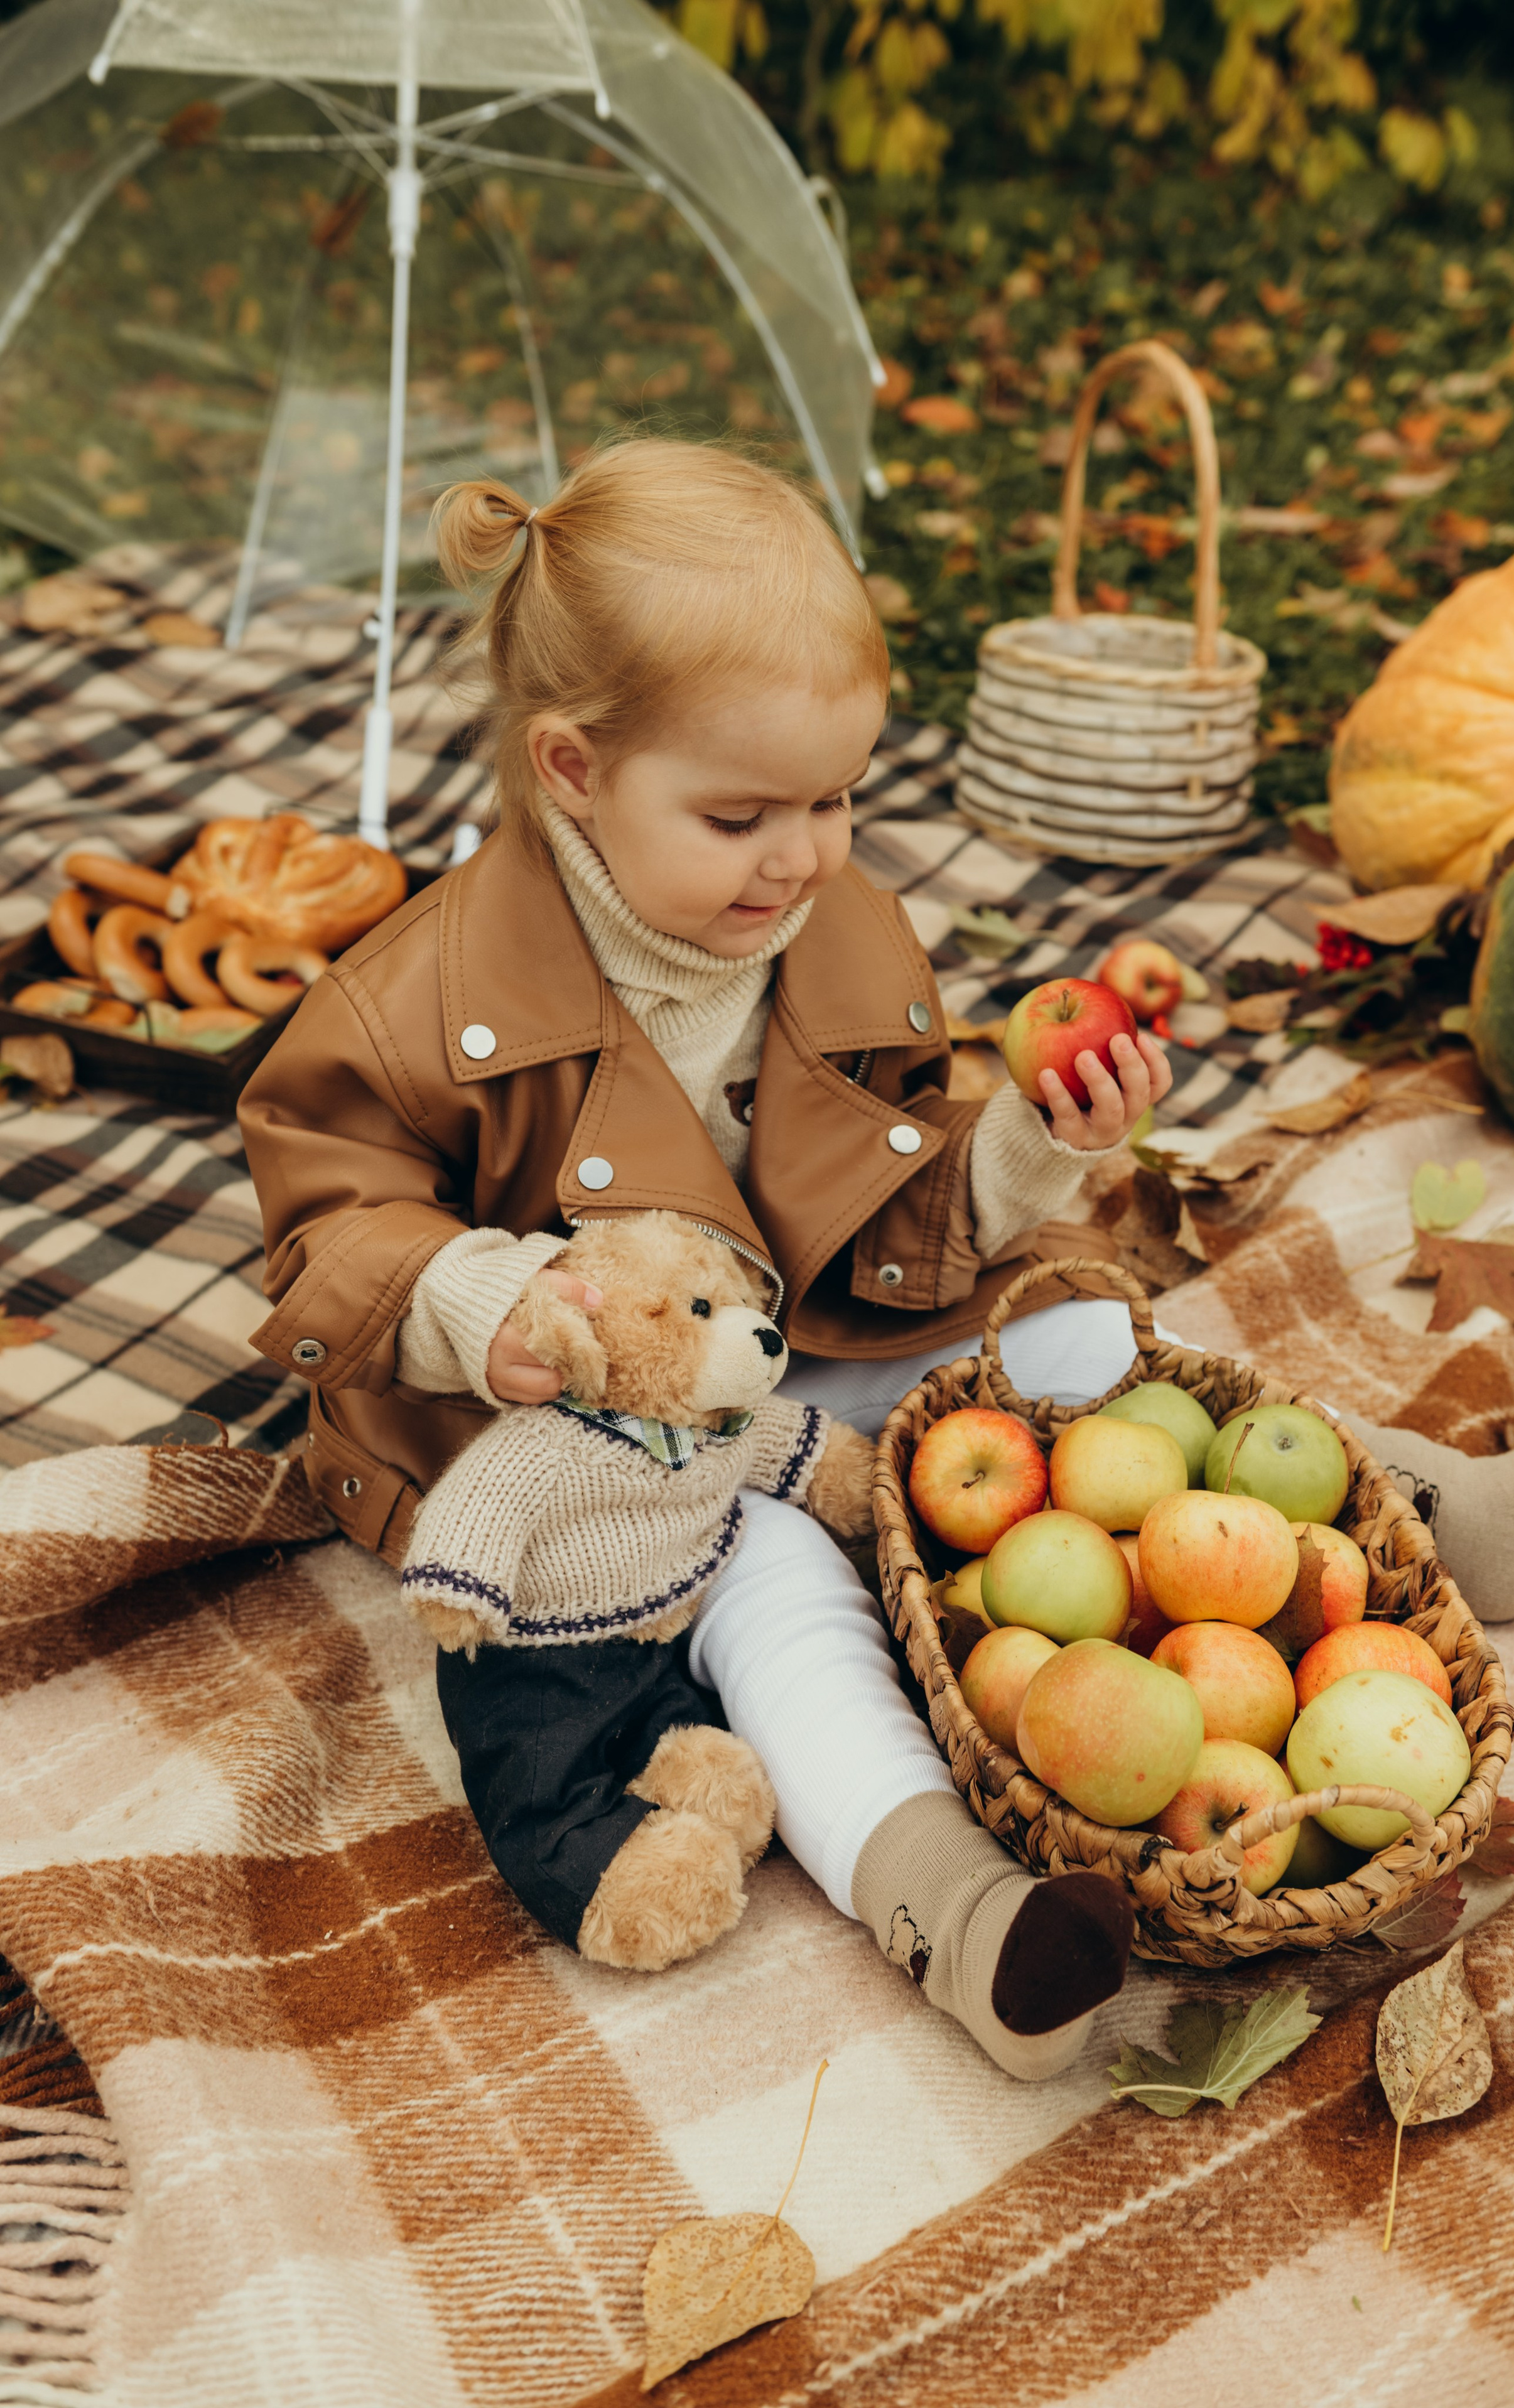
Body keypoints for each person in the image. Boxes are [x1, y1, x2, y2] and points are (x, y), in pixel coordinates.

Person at [240, 438, 1164, 2080]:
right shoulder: (420, 1003)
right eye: (741, 815)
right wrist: (472, 1299)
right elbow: (327, 1217)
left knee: (1086, 1350)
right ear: (575, 770)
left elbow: (888, 1207)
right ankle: (953, 1909)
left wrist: (1036, 1143)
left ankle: (1397, 1515)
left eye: (837, 797)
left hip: (805, 1346)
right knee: (767, 1570)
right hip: (595, 1440)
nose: (803, 855)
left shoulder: (834, 929)